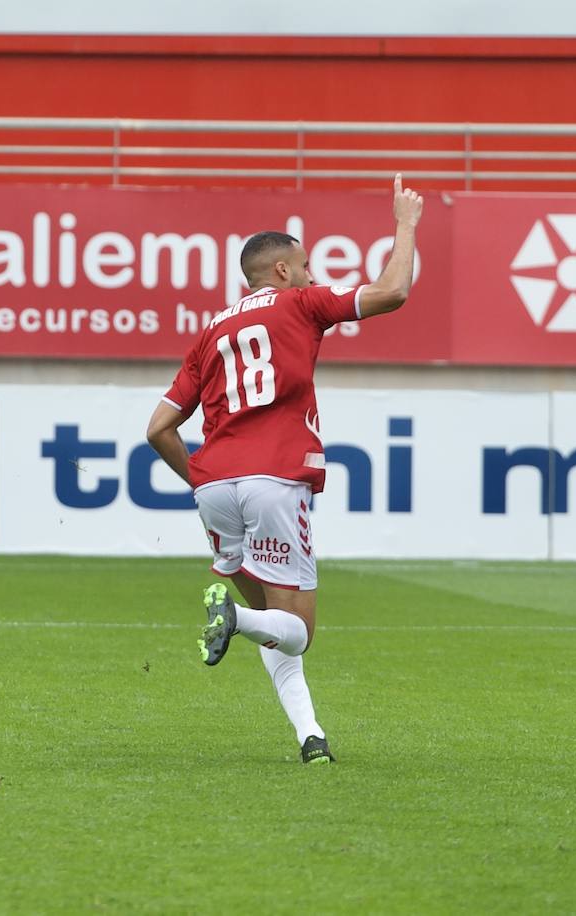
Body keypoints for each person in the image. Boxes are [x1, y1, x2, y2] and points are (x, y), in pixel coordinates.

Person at [145, 175, 425, 764]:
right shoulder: (302, 303)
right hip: (274, 480)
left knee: (276, 625)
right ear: (280, 272)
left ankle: (310, 736)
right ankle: (234, 614)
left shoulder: (210, 331)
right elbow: (394, 291)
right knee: (296, 627)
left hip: (216, 488)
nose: (312, 274)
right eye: (305, 265)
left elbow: (158, 430)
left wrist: (201, 480)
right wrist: (405, 223)